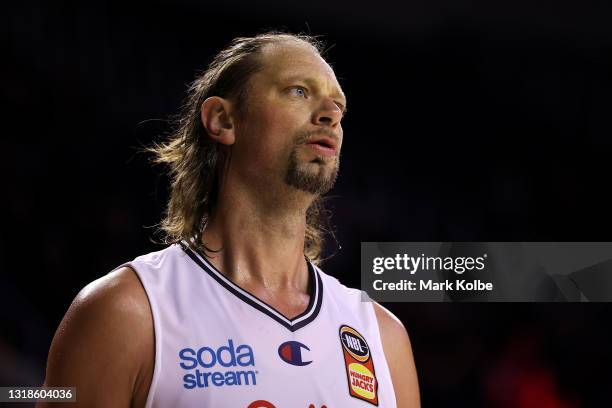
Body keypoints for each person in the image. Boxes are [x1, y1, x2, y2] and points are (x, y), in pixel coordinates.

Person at [40, 32, 420, 407]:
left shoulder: (382, 337)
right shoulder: (126, 313)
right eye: (298, 91)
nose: (330, 115)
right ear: (222, 120)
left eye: (338, 107)